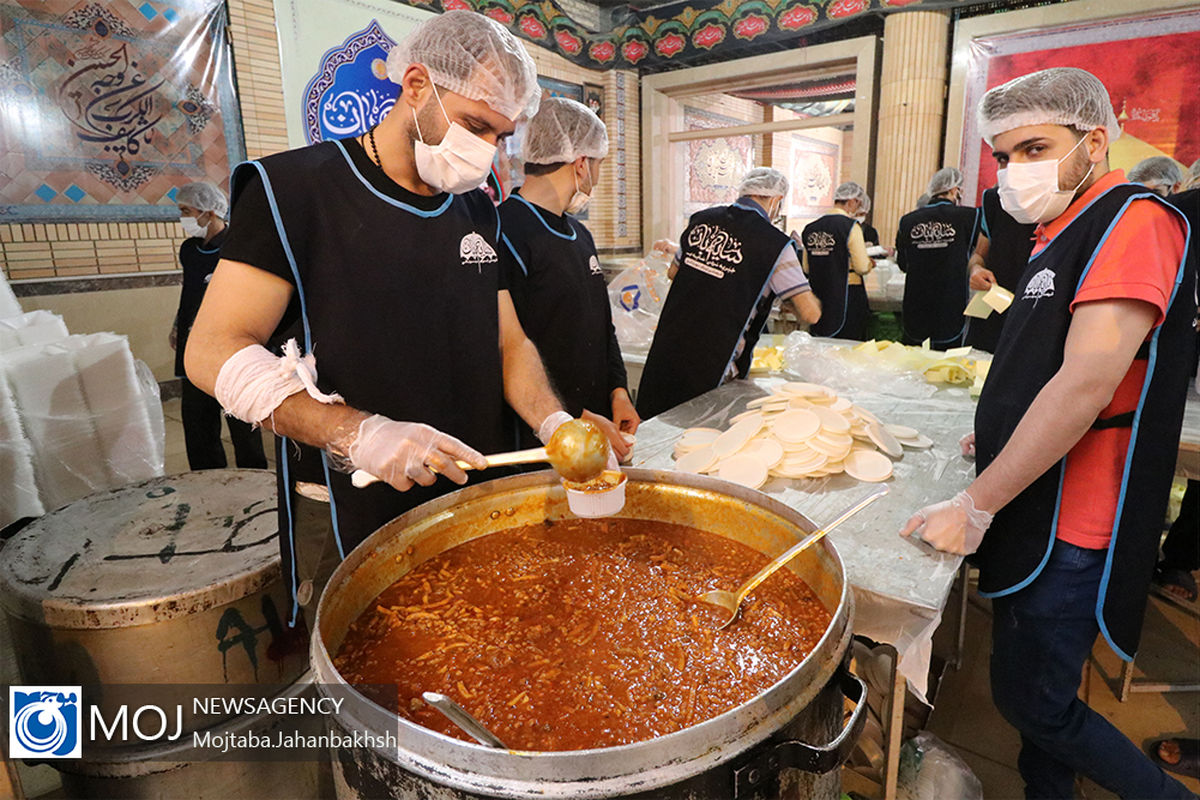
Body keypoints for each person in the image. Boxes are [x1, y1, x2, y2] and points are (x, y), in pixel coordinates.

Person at [184, 12, 628, 626]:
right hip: (349, 498)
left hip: (466, 490)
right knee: (367, 680)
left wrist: (552, 421)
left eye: (500, 136)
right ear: (415, 85)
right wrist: (358, 434)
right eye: (476, 125)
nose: (487, 152)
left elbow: (509, 344)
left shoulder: (477, 210)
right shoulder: (294, 191)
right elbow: (210, 351)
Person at [900, 67, 1196, 799]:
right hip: (1039, 487)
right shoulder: (1057, 230)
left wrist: (978, 504)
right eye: (1003, 156)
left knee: (1037, 703)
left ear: (1094, 142)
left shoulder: (1134, 220)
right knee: (1038, 693)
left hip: (1076, 516)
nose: (1014, 170)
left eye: (1035, 147)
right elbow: (1041, 360)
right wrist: (999, 434)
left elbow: (1087, 382)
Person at [499, 97, 639, 448]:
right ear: (581, 164)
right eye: (599, 164)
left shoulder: (580, 234)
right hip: (541, 436)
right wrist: (570, 417)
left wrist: (618, 390)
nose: (597, 175)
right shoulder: (505, 231)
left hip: (596, 423)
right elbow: (506, 348)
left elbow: (601, 326)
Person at [636, 168, 821, 419]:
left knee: (656, 428)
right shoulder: (775, 244)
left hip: (668, 353)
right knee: (700, 442)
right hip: (713, 366)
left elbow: (673, 274)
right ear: (776, 201)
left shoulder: (700, 220)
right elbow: (810, 313)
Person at [171, 182, 267, 471]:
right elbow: (189, 292)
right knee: (198, 425)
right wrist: (178, 324)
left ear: (210, 212)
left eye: (187, 211)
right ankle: (208, 480)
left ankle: (253, 481)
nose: (182, 218)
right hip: (193, 348)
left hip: (230, 350)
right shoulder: (189, 251)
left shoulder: (237, 245)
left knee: (241, 424)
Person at [894, 168, 981, 347]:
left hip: (916, 299)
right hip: (951, 299)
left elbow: (903, 263)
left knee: (915, 359)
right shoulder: (969, 217)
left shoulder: (907, 221)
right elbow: (979, 253)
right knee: (947, 362)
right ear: (954, 190)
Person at [964, 184, 1037, 353]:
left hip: (1035, 318)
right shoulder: (994, 201)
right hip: (993, 308)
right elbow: (979, 256)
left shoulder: (1070, 206)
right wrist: (976, 270)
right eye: (1003, 160)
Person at [802, 181, 874, 340]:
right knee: (847, 346)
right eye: (858, 205)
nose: (858, 210)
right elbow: (861, 267)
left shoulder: (810, 228)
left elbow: (806, 268)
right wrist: (870, 263)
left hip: (819, 292)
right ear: (852, 201)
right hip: (847, 294)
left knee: (822, 342)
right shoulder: (850, 226)